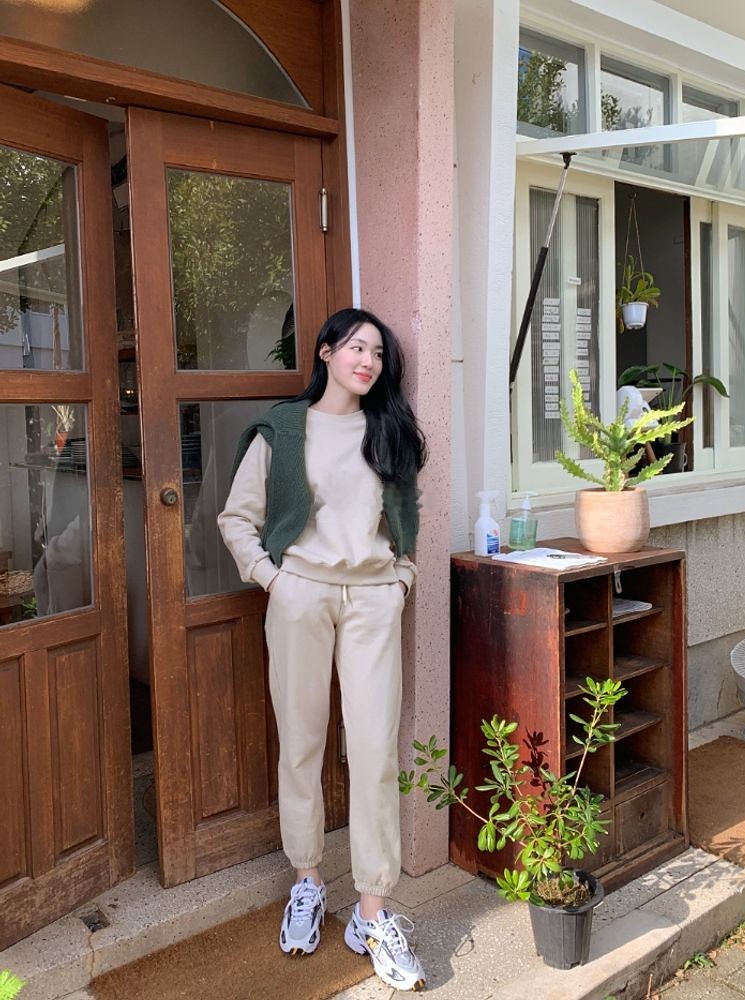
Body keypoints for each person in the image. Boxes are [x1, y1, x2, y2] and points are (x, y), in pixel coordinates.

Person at [218, 307, 428, 992]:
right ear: (327, 351)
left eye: (379, 353)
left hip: (372, 602)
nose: (369, 361)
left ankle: (372, 911)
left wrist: (401, 579)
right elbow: (237, 517)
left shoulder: (388, 431)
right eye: (357, 347)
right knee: (302, 742)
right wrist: (273, 579)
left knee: (374, 751)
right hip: (300, 596)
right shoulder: (283, 429)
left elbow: (407, 521)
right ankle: (307, 880)